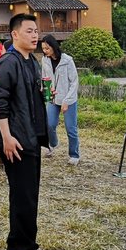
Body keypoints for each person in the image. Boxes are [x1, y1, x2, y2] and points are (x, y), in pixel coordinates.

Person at [0, 13, 50, 250]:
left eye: (36, 31)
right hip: (15, 140)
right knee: (23, 196)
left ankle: (17, 244)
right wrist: (6, 137)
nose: (35, 35)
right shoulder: (8, 62)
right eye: (29, 31)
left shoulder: (31, 62)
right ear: (15, 34)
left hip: (31, 136)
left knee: (28, 194)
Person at [39, 35, 80, 166]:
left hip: (68, 98)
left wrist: (67, 101)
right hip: (52, 98)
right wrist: (45, 90)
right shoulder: (45, 60)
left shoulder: (67, 60)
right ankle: (53, 144)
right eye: (43, 48)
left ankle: (74, 154)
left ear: (54, 46)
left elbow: (74, 82)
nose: (45, 51)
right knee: (49, 124)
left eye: (47, 48)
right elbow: (44, 77)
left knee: (70, 128)